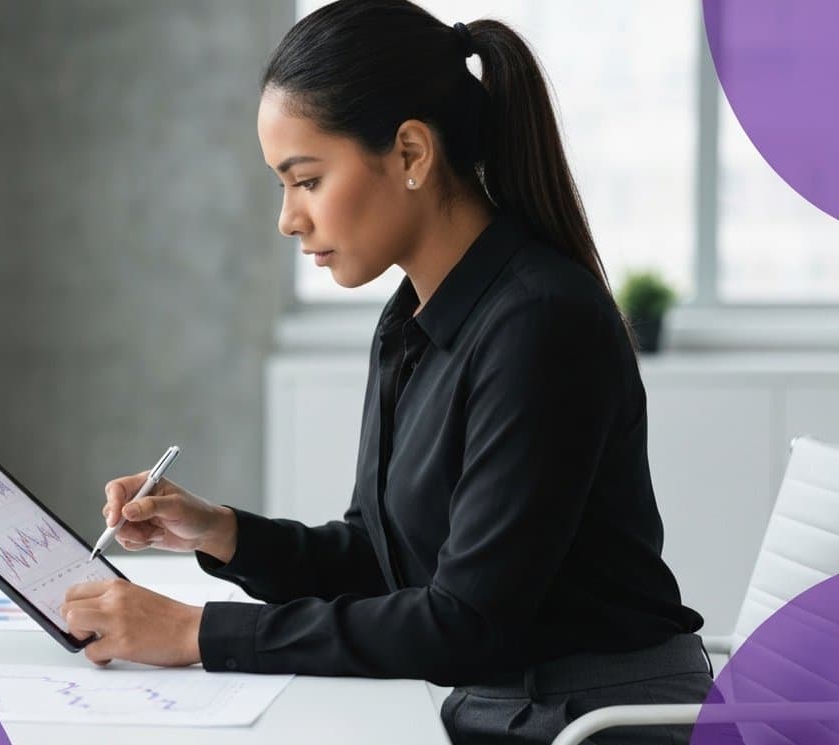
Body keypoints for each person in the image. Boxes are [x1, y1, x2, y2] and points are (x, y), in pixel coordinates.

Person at [58, 1, 717, 742]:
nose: (288, 218)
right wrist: (218, 531)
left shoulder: (541, 322)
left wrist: (196, 633)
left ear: (410, 153)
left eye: (305, 179)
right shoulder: (411, 319)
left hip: (590, 721)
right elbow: (379, 557)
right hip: (500, 706)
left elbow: (464, 623)